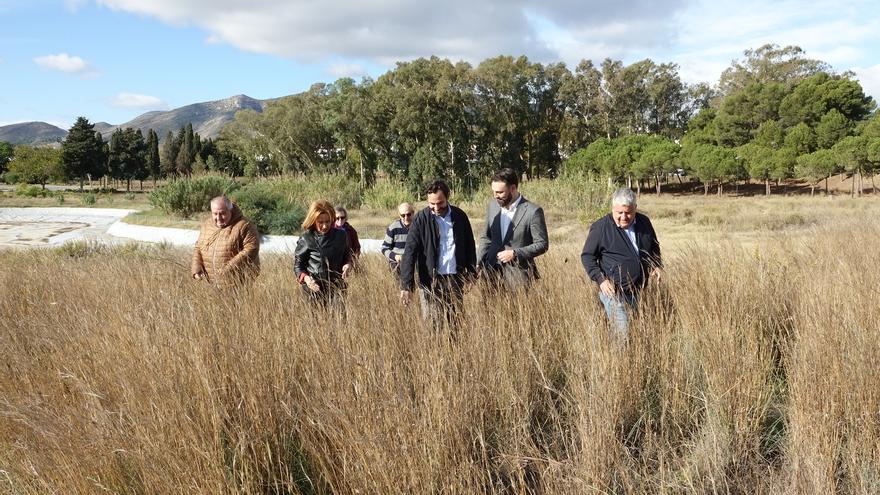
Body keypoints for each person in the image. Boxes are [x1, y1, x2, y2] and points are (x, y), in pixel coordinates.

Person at [581, 188, 661, 340]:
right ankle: (618, 362)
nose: (624, 217)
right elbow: (587, 256)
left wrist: (655, 264)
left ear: (635, 209)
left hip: (638, 290)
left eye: (628, 212)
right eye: (619, 213)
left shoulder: (644, 222)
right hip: (614, 292)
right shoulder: (601, 227)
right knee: (623, 331)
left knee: (635, 329)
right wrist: (601, 280)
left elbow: (654, 246)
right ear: (612, 209)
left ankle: (628, 360)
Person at [399, 180, 476, 331]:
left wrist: (471, 272)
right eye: (431, 204)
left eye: (440, 203)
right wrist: (406, 285)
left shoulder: (460, 216)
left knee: (456, 323)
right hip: (430, 281)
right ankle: (435, 353)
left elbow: (469, 245)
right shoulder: (421, 219)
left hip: (455, 279)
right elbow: (410, 252)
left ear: (447, 198)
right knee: (432, 326)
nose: (436, 208)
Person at [476, 168, 549, 291]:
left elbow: (542, 244)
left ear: (513, 188)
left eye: (500, 192)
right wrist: (478, 262)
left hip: (518, 277)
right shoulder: (492, 206)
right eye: (493, 192)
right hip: (490, 273)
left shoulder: (533, 211)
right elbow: (486, 237)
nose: (496, 196)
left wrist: (516, 254)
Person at [191, 196, 260, 288]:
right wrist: (196, 268)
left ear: (230, 210)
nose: (218, 218)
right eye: (215, 214)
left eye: (222, 213)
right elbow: (199, 246)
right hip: (210, 283)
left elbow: (252, 248)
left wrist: (229, 268)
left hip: (237, 283)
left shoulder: (244, 225)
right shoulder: (207, 225)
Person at [295, 200, 353, 308]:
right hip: (314, 288)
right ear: (313, 221)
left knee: (339, 320)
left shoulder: (341, 235)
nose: (325, 226)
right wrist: (307, 279)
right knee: (316, 323)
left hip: (337, 287)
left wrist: (348, 264)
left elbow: (347, 255)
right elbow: (298, 266)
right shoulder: (306, 239)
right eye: (320, 222)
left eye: (328, 221)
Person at [381, 202, 415, 275]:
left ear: (413, 213)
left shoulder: (418, 227)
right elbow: (384, 248)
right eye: (403, 215)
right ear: (399, 215)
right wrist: (395, 256)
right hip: (397, 263)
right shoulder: (393, 228)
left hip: (414, 263)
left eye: (409, 214)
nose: (406, 218)